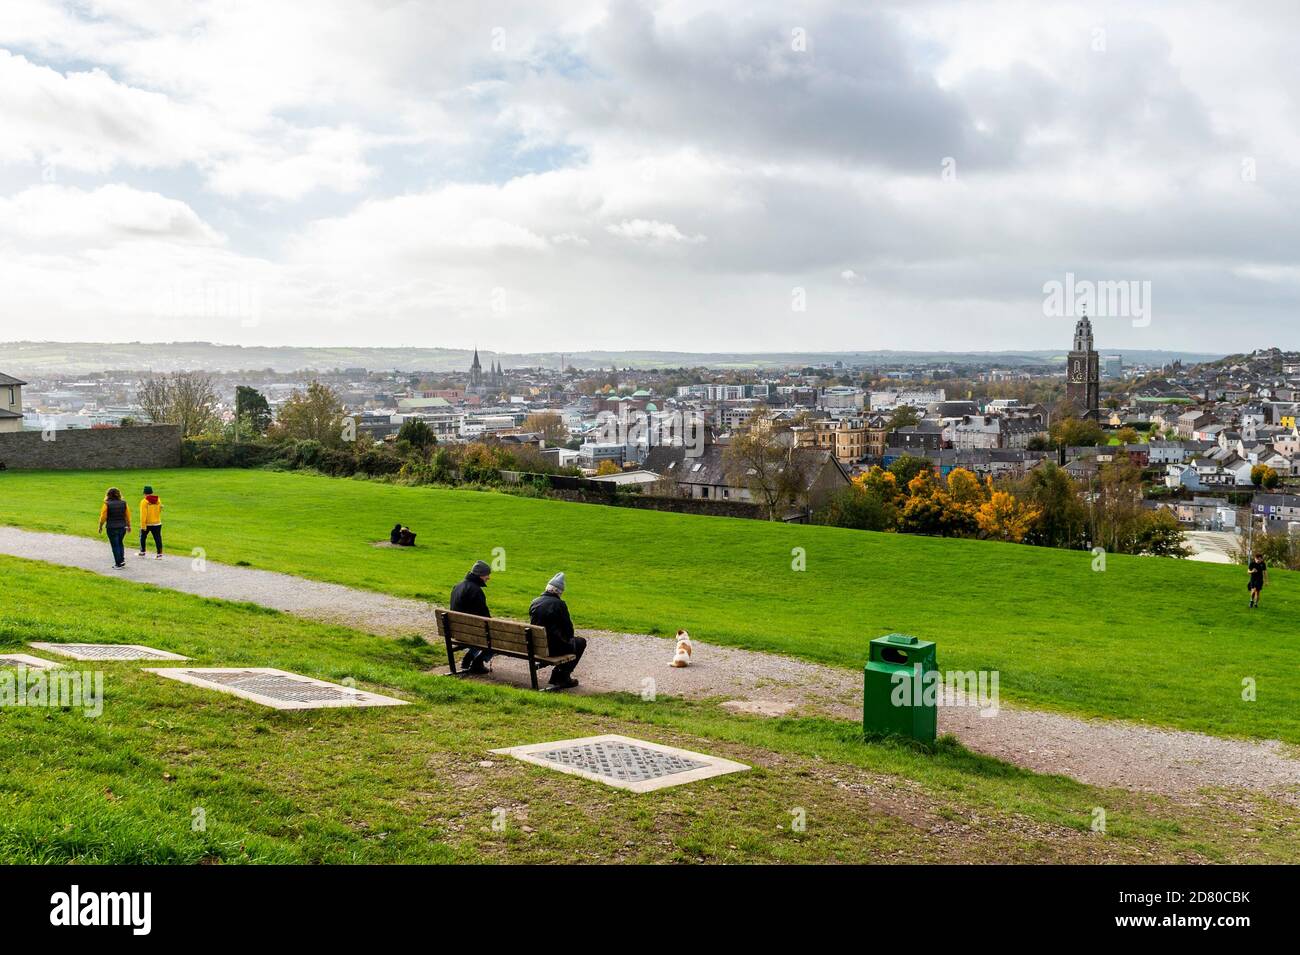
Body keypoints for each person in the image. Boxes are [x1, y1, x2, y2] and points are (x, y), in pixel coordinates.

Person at [529, 572, 585, 690]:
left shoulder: (535, 602)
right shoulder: (559, 604)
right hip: (553, 649)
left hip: (535, 646)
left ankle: (558, 675)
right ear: (559, 592)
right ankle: (562, 676)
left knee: (572, 641)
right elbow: (569, 631)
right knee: (580, 642)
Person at [450, 560, 493, 673]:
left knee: (481, 631)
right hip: (470, 632)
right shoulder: (476, 590)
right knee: (497, 636)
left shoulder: (457, 586)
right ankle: (478, 662)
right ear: (480, 575)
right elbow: (485, 617)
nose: (488, 577)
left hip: (456, 630)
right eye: (487, 574)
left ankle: (469, 657)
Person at [97, 487, 131, 568]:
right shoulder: (124, 503)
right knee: (120, 543)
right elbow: (128, 516)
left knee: (115, 545)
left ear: (108, 495)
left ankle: (118, 563)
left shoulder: (107, 504)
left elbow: (103, 517)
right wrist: (128, 525)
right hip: (122, 527)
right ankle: (122, 560)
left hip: (111, 527)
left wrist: (100, 526)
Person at [137, 485, 164, 559]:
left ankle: (142, 552)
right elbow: (159, 511)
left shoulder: (144, 501)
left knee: (142, 537)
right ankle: (159, 554)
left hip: (147, 523)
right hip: (157, 522)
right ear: (152, 492)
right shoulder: (158, 500)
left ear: (144, 493)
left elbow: (143, 515)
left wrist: (143, 526)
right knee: (158, 538)